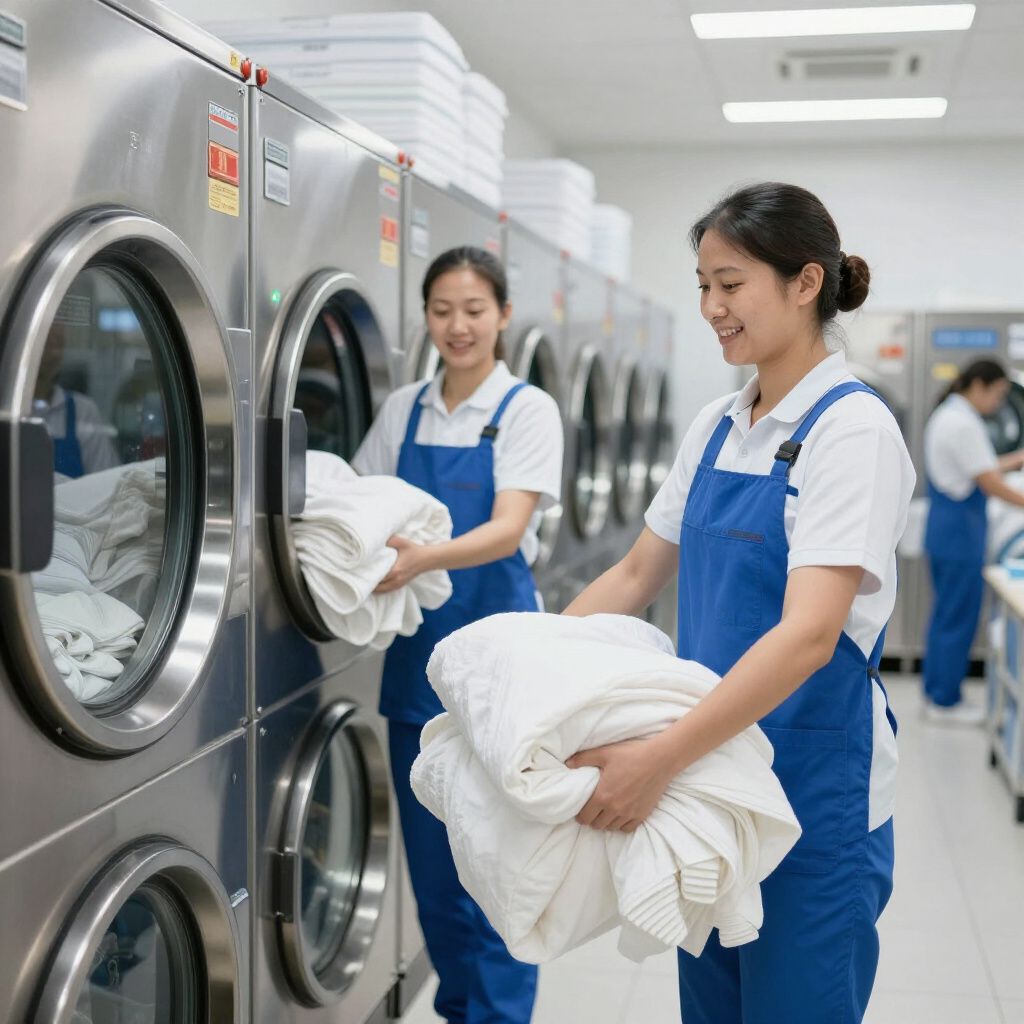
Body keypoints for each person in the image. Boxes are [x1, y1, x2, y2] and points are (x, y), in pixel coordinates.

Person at [562, 182, 914, 1024]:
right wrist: (527, 669)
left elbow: (810, 634)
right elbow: (636, 573)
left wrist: (659, 759)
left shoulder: (852, 430)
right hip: (711, 786)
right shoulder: (718, 426)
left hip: (811, 794)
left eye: (731, 284)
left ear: (805, 283)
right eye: (703, 286)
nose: (712, 308)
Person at [352, 245, 564, 1024]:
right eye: (442, 311)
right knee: (437, 882)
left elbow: (508, 529)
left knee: (498, 872)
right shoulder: (404, 409)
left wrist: (420, 558)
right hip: (418, 666)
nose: (458, 326)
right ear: (426, 318)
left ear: (503, 315)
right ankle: (459, 1012)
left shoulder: (527, 410)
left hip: (499, 667)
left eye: (474, 310)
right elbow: (361, 499)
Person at [922, 359, 1024, 725]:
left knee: (948, 615)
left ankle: (938, 693)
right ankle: (945, 701)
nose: (998, 404)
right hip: (959, 533)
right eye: (997, 394)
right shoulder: (962, 422)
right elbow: (989, 483)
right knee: (957, 618)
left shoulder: (952, 415)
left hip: (949, 529)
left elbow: (983, 467)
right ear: (978, 386)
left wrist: (1015, 460)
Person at [33, 322, 119, 477]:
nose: (54, 354)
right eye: (46, 343)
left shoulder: (83, 410)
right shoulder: (8, 409)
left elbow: (104, 477)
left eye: (58, 344)